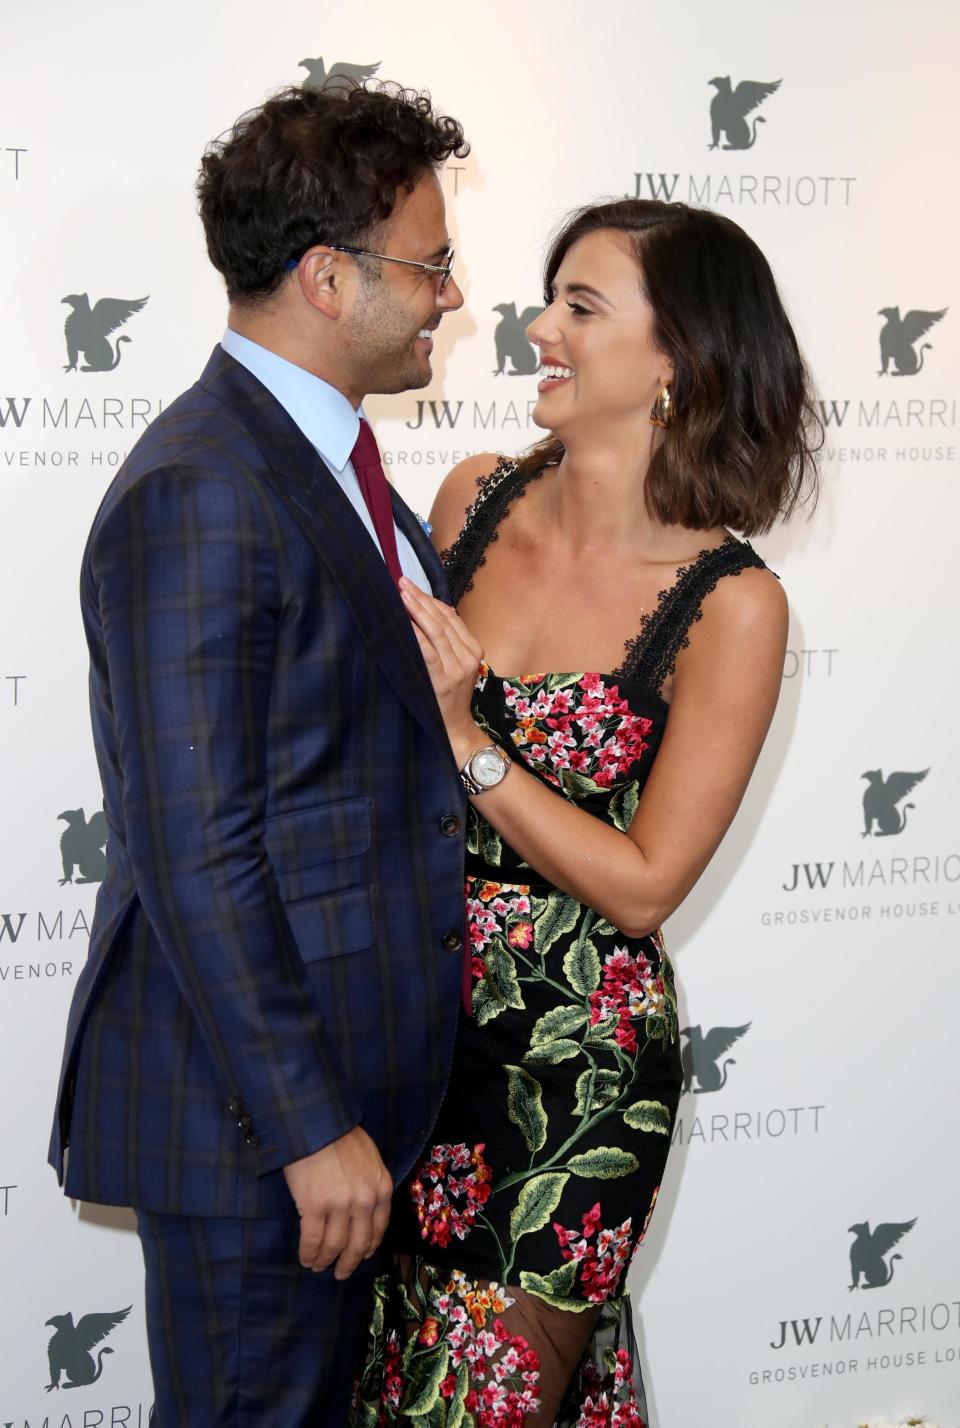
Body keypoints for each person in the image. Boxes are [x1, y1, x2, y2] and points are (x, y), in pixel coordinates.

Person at [351, 198, 819, 1427]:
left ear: (677, 360)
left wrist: (467, 742)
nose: (538, 325)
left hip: (571, 1072)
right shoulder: (468, 502)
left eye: (582, 305)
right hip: (403, 1035)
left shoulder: (733, 603)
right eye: (550, 297)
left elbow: (647, 882)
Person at [48, 82, 471, 1426]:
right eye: (433, 263)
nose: (455, 297)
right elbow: (193, 844)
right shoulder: (202, 488)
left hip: (354, 1118)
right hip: (262, 1141)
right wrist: (305, 1126)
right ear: (330, 277)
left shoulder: (333, 465)